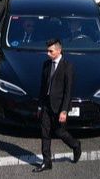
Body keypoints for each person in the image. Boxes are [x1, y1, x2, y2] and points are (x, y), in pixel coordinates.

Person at [35, 39, 81, 172]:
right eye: (47, 51)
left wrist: (64, 111)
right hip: (46, 106)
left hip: (59, 106)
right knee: (44, 133)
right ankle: (46, 161)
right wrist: (39, 106)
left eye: (51, 51)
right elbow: (42, 87)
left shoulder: (68, 67)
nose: (48, 53)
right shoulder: (46, 65)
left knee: (60, 132)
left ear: (59, 50)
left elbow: (68, 91)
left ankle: (75, 145)